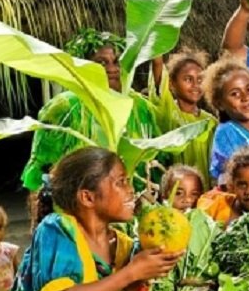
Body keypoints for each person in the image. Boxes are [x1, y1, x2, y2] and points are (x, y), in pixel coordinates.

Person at [0, 147, 182, 291]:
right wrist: (131, 272)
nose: (131, 190)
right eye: (121, 182)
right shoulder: (56, 229)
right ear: (87, 197)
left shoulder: (122, 245)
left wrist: (154, 266)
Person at [21, 29, 159, 192]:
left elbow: (156, 160)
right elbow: (41, 169)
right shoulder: (64, 107)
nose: (112, 69)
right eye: (102, 63)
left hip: (133, 203)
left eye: (116, 62)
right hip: (77, 205)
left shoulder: (140, 107)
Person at [153, 49, 218, 187]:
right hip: (175, 195)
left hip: (205, 197)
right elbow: (157, 66)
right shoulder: (168, 111)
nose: (195, 85)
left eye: (200, 79)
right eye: (188, 79)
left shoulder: (210, 122)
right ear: (171, 84)